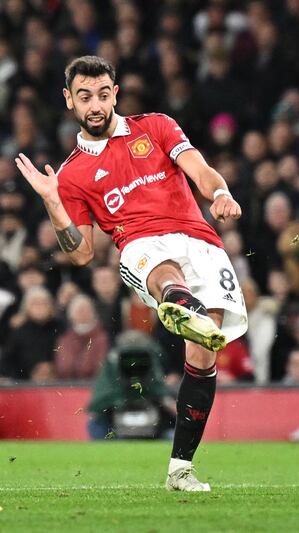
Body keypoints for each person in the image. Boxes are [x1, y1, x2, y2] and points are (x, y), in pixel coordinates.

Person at [14, 56, 248, 492]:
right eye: (85, 97)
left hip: (201, 240)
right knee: (165, 272)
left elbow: (199, 168)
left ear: (115, 93)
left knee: (205, 353)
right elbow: (82, 254)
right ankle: (179, 302)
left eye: (103, 94)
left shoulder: (156, 126)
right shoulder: (70, 175)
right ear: (69, 101)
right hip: (140, 245)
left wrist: (220, 192)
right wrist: (52, 201)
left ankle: (180, 469)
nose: (96, 104)